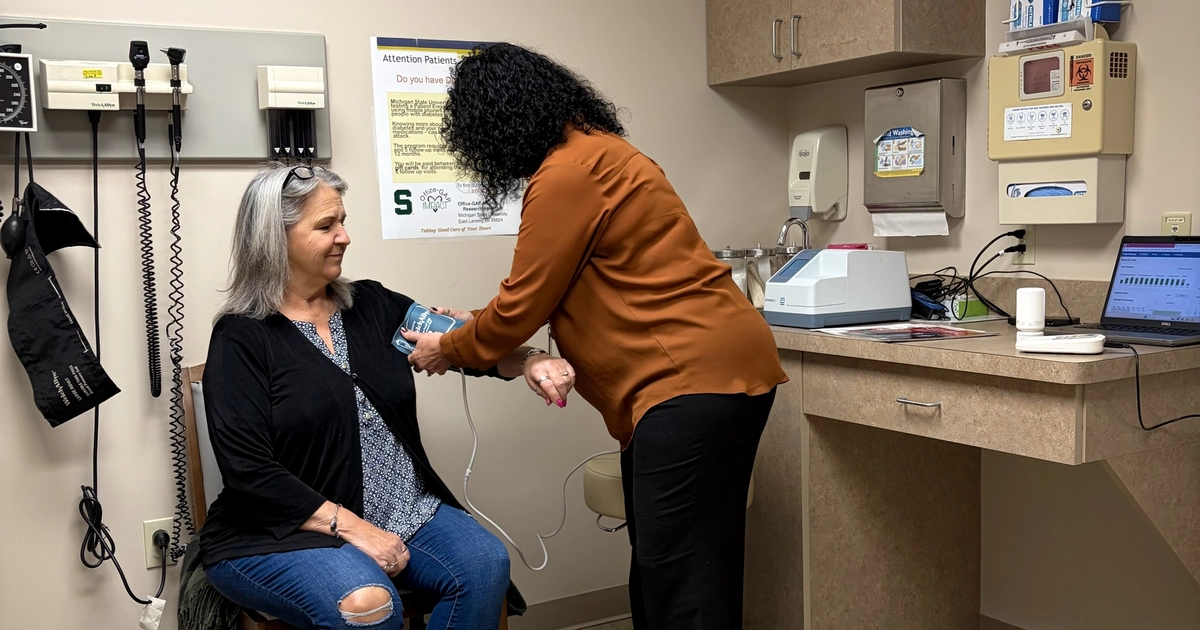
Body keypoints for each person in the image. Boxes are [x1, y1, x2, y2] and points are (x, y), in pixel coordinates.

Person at [403, 43, 789, 630]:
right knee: (684, 568)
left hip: (687, 382)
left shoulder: (566, 174)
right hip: (712, 375)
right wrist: (477, 320)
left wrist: (447, 347)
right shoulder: (604, 153)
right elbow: (557, 288)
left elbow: (521, 308)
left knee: (680, 579)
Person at [199, 163, 573, 629]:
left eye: (343, 221)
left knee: (484, 564)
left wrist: (532, 359)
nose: (345, 236)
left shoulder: (371, 305)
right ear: (274, 238)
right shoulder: (242, 338)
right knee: (368, 602)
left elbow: (464, 345)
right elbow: (249, 472)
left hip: (399, 509)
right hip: (281, 531)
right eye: (326, 225)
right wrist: (358, 531)